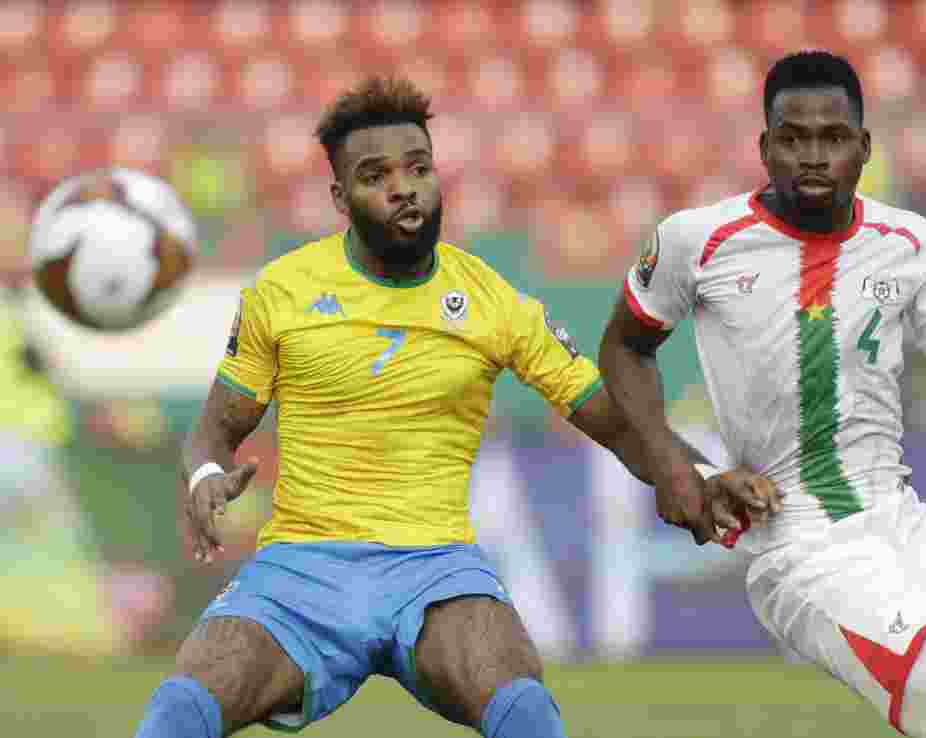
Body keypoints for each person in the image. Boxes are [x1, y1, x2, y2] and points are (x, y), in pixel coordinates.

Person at [133, 77, 778, 738]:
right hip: (301, 569)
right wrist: (206, 477)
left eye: (418, 168)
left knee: (525, 710)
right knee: (179, 711)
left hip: (435, 570)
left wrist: (693, 476)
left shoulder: (489, 300)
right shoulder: (283, 290)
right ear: (339, 198)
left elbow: (611, 418)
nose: (403, 187)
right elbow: (216, 429)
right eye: (375, 175)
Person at [600, 50, 926, 738]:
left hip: (905, 527)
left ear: (863, 146)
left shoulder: (910, 243)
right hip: (802, 548)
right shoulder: (698, 241)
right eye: (793, 139)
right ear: (765, 147)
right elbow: (623, 347)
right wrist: (675, 464)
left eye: (832, 138)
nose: (813, 156)